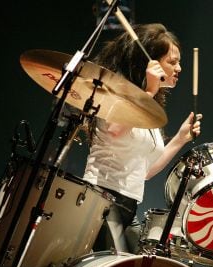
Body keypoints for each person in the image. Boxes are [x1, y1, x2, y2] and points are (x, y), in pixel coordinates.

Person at [83, 23, 202, 253]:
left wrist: (179, 139)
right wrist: (147, 92)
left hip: (127, 204)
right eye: (172, 61)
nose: (179, 68)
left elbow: (145, 171)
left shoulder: (148, 108)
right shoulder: (119, 94)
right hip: (102, 199)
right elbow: (115, 129)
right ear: (151, 63)